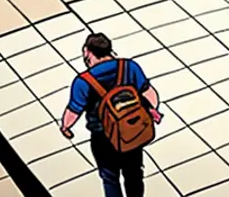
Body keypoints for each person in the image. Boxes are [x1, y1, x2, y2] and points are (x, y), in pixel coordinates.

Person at [60, 33, 161, 197]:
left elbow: (73, 112)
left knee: (110, 178)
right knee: (134, 173)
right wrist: (152, 110)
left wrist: (65, 127)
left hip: (103, 138)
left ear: (87, 52)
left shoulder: (83, 81)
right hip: (132, 131)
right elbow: (150, 94)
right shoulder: (129, 66)